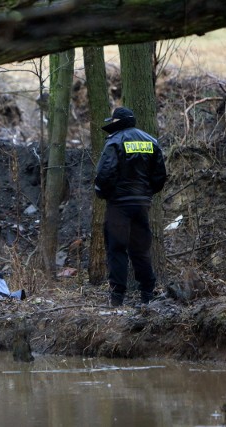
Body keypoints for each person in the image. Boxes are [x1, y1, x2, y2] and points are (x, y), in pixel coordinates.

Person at [94, 107, 167, 307]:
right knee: (141, 249)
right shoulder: (151, 141)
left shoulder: (115, 141)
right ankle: (147, 295)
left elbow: (105, 174)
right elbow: (160, 176)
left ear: (117, 122)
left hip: (119, 205)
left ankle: (117, 298)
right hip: (142, 204)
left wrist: (102, 192)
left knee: (116, 249)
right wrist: (145, 194)